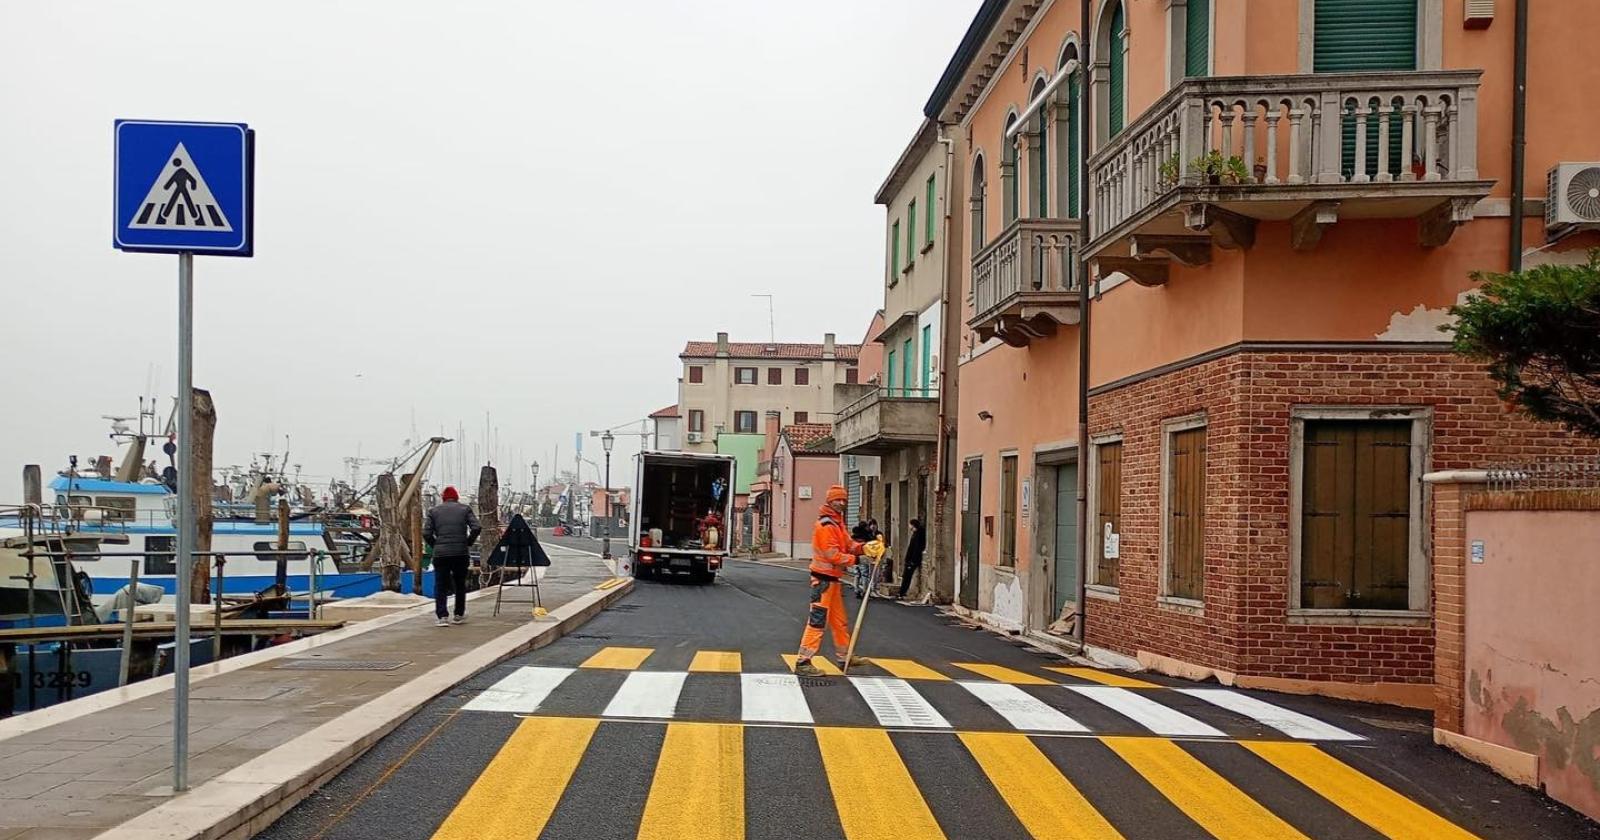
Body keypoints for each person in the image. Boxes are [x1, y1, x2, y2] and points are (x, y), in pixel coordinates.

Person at [796, 486, 881, 676]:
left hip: (832, 581)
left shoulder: (837, 523)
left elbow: (849, 545)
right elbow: (833, 555)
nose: (841, 503)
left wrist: (865, 548)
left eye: (844, 500)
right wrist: (860, 559)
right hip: (823, 581)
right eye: (838, 500)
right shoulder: (826, 525)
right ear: (829, 501)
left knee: (839, 621)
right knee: (817, 621)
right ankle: (803, 662)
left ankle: (845, 657)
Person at [423, 486, 481, 626]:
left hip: (441, 554)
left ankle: (442, 616)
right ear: (456, 497)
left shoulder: (433, 511)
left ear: (443, 498)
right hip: (460, 552)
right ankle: (458, 614)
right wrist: (468, 542)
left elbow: (426, 533)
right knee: (460, 584)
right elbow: (476, 527)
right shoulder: (465, 509)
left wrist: (436, 545)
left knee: (440, 585)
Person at [898, 518, 926, 600]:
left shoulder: (918, 534)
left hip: (913, 560)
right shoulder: (915, 533)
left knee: (907, 576)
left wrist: (912, 561)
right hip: (910, 559)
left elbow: (916, 549)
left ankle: (902, 593)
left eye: (910, 525)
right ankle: (902, 592)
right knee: (906, 576)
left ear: (913, 525)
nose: (909, 526)